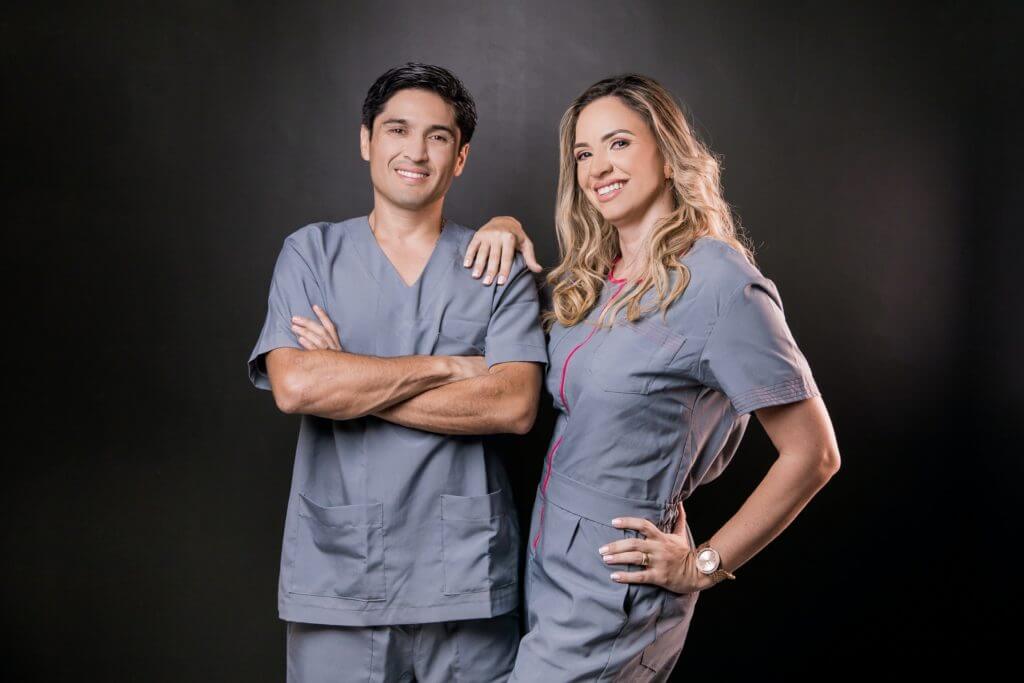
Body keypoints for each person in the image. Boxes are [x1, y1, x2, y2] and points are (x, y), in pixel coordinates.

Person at [465, 73, 841, 681]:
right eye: (583, 153)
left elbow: (815, 454)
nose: (596, 167)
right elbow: (508, 363)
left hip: (615, 590)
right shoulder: (593, 277)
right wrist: (505, 227)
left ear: (666, 154)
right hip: (545, 564)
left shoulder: (722, 284)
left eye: (618, 144)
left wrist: (703, 565)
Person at [245, 63, 549, 683]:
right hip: (341, 577)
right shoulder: (311, 253)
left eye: (438, 136)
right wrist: (449, 368)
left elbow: (513, 405)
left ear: (460, 157)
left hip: (463, 580)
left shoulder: (497, 264)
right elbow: (296, 386)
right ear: (366, 140)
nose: (416, 151)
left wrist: (349, 381)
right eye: (397, 130)